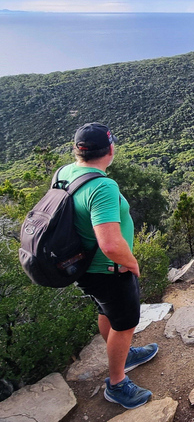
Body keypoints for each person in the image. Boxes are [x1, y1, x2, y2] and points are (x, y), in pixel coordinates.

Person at [58, 122, 157, 409]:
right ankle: (116, 384)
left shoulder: (65, 172)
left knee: (108, 311)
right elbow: (111, 244)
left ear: (78, 151)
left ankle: (125, 356)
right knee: (126, 323)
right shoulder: (101, 185)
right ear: (111, 149)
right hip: (109, 268)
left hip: (82, 265)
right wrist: (132, 263)